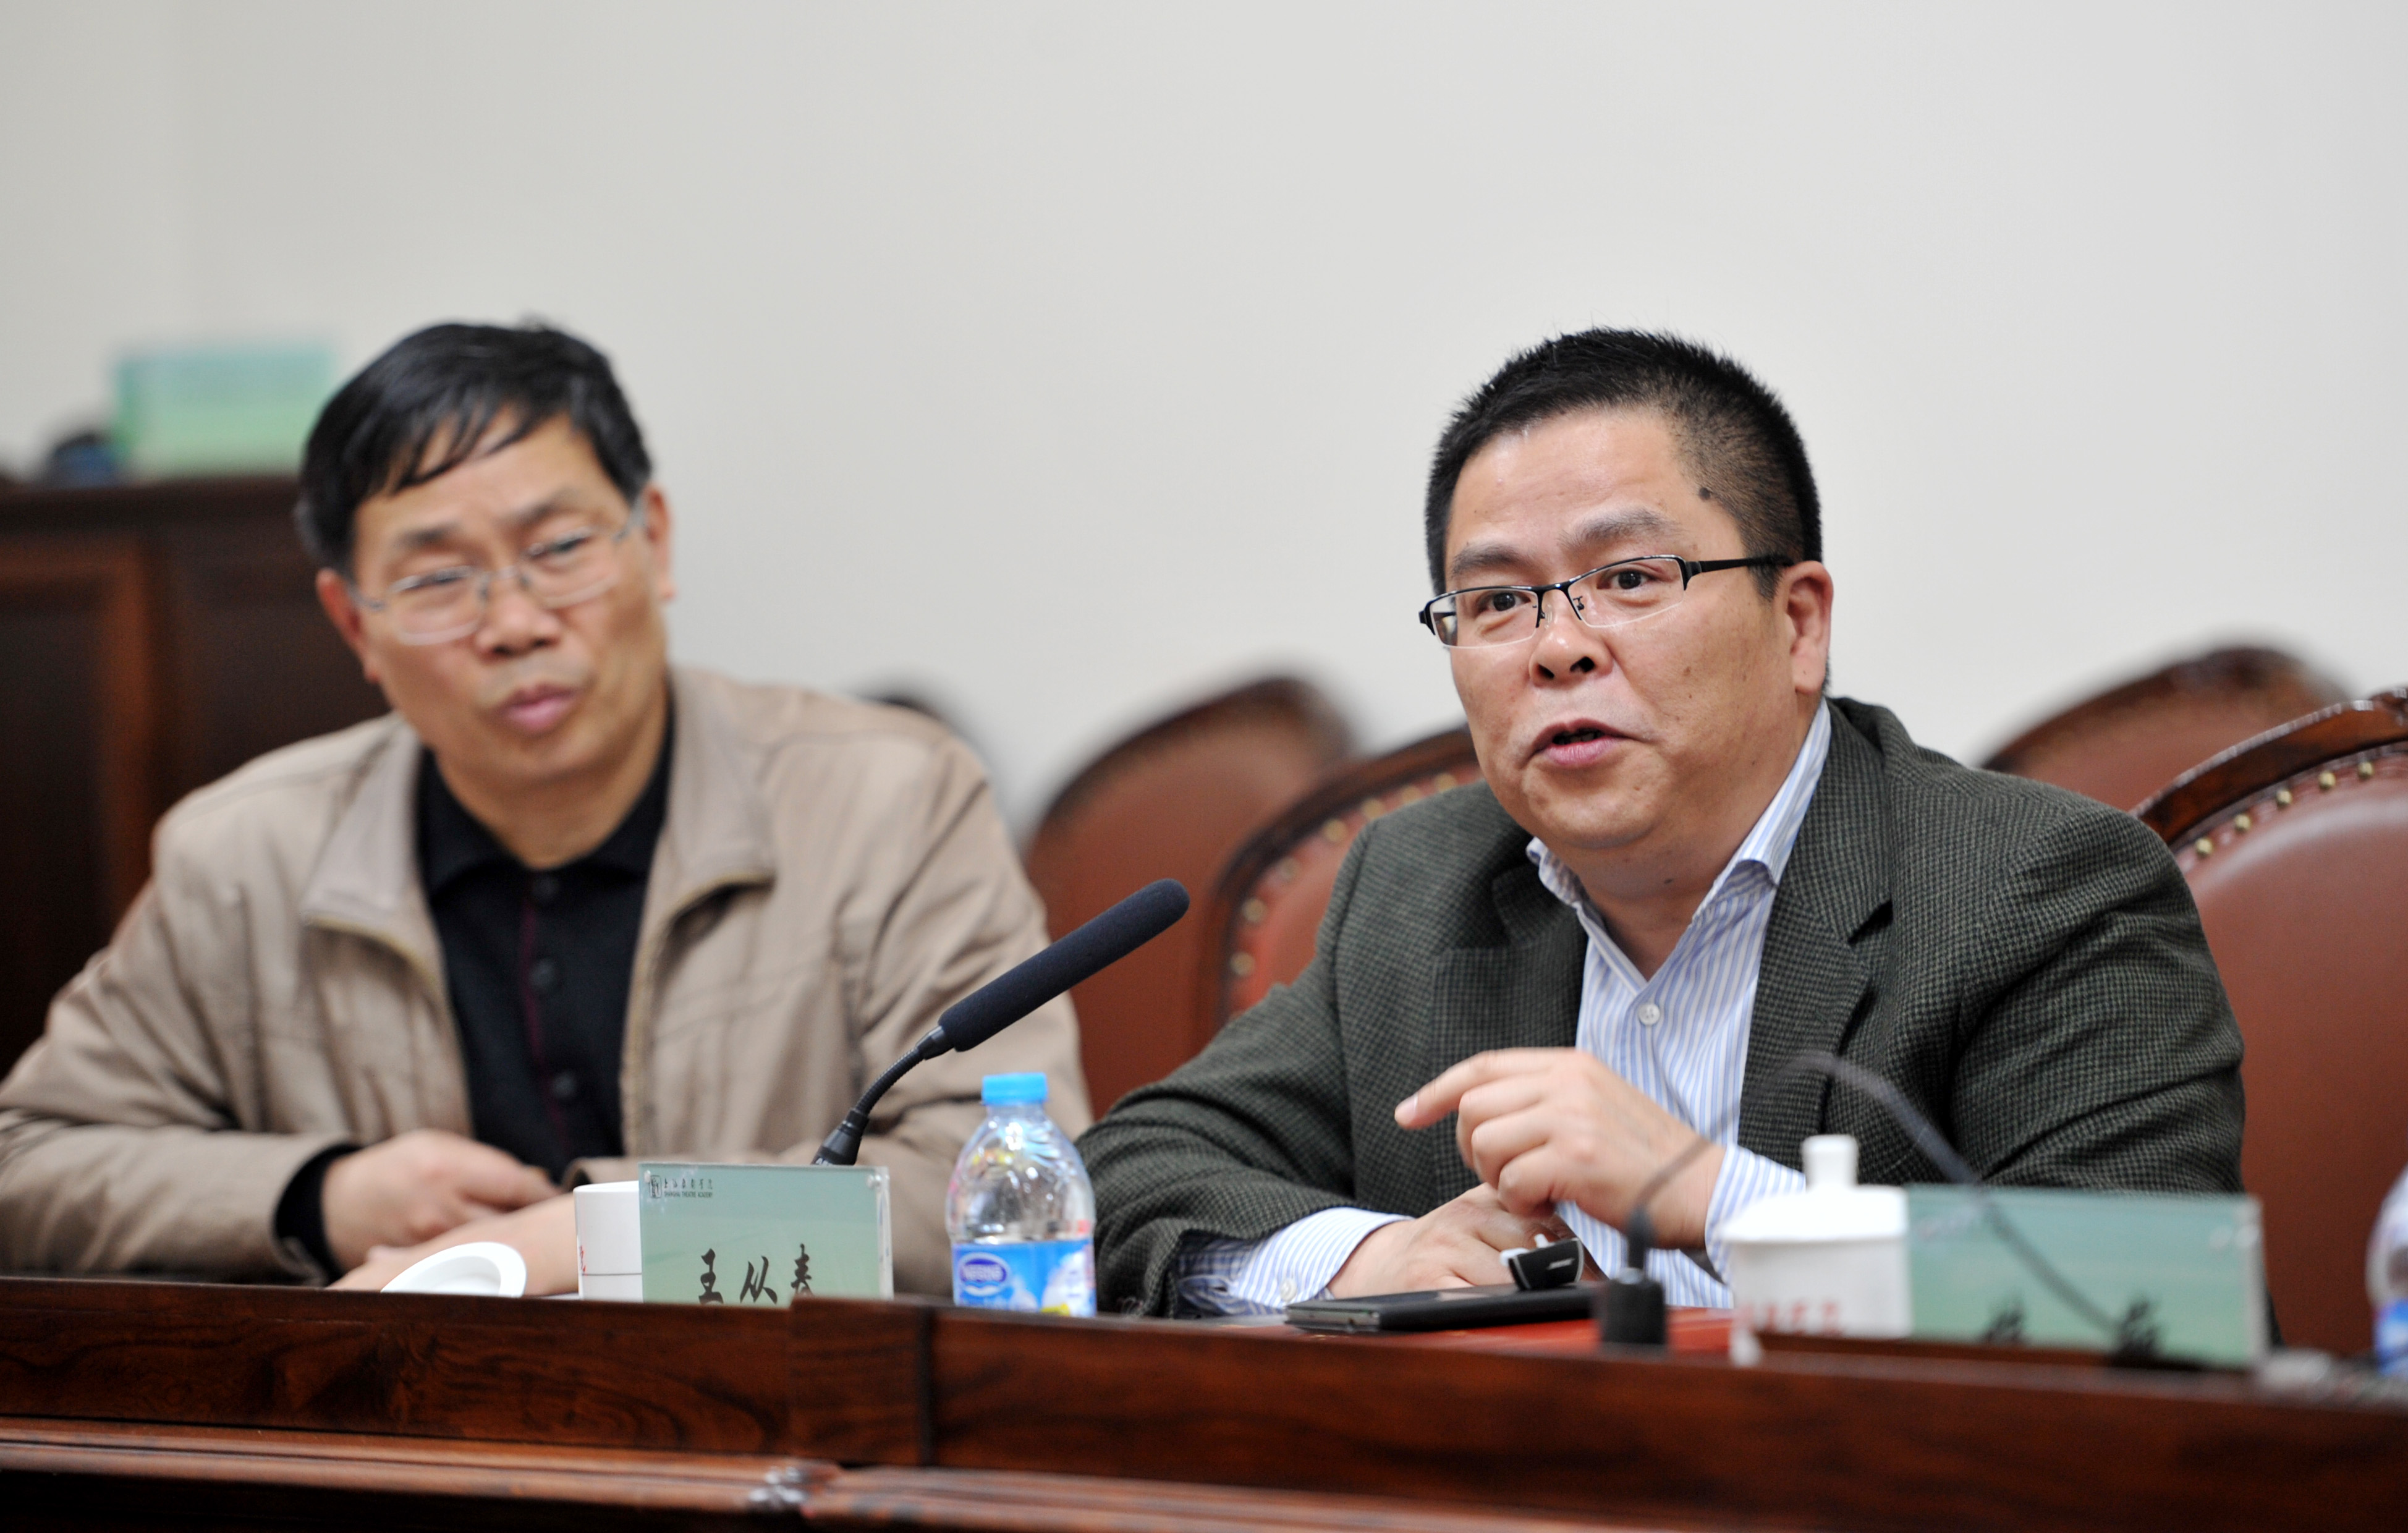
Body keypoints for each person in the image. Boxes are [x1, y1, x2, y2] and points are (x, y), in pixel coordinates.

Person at [1082, 329, 2243, 1316]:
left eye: (1631, 579)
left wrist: (1710, 1196)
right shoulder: (1417, 884)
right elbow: (1120, 1180)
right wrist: (1370, 1261)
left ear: (1799, 624)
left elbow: (2157, 1300)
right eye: (1497, 601)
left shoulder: (2041, 889)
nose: (1558, 646)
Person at [0, 321, 1086, 1297]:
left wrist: (583, 1236)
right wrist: (315, 1197)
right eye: (437, 580)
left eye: (559, 550)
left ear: (654, 542)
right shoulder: (244, 855)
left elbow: (1001, 1183)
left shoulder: (891, 802)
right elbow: (28, 1161)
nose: (515, 622)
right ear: (354, 625)